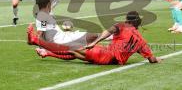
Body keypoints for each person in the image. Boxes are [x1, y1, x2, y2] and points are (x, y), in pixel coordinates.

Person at [29, 10, 161, 65]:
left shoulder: (121, 26)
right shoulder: (141, 41)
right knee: (72, 51)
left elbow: (107, 32)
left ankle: (35, 41)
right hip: (110, 59)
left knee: (70, 47)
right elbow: (151, 59)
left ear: (128, 20)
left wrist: (94, 42)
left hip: (105, 54)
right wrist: (158, 59)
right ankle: (47, 53)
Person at [28, 0, 100, 52]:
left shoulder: (46, 13)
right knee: (89, 41)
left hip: (64, 36)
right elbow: (40, 34)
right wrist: (43, 49)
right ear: (48, 5)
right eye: (51, 3)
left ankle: (107, 37)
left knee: (93, 35)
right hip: (60, 41)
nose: (52, 5)